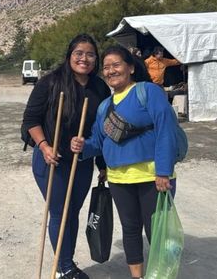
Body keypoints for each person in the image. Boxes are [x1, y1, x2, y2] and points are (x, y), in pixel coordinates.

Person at [71, 46, 181, 279]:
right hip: (120, 179)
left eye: (116, 65)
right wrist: (82, 147)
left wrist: (163, 171)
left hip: (152, 176)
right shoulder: (105, 107)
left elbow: (165, 130)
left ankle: (163, 275)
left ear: (131, 67)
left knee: (158, 233)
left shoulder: (148, 92)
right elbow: (98, 142)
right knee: (130, 230)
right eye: (106, 67)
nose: (111, 71)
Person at [21, 34, 111, 279]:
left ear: (96, 58)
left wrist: (102, 163)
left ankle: (66, 262)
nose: (84, 58)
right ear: (70, 55)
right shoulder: (50, 83)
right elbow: (31, 120)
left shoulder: (99, 87)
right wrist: (44, 146)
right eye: (79, 53)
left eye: (90, 54)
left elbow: (103, 129)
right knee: (61, 212)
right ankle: (64, 267)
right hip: (53, 160)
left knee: (73, 212)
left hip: (82, 162)